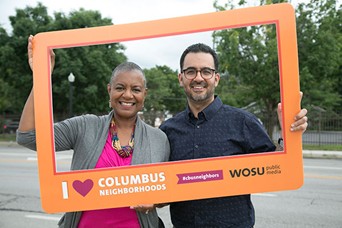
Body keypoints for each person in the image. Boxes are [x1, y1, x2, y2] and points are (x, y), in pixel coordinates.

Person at [16, 35, 170, 228]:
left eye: (136, 89)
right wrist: (41, 76)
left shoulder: (159, 139)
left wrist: (154, 202)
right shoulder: (85, 126)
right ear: (109, 90)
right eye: (120, 88)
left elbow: (167, 192)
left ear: (144, 94)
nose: (128, 95)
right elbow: (28, 137)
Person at [159, 43, 308, 227]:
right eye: (191, 71)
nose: (198, 78)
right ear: (181, 78)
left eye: (206, 71)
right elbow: (160, 186)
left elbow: (277, 170)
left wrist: (289, 134)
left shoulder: (243, 122)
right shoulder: (167, 131)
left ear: (216, 78)